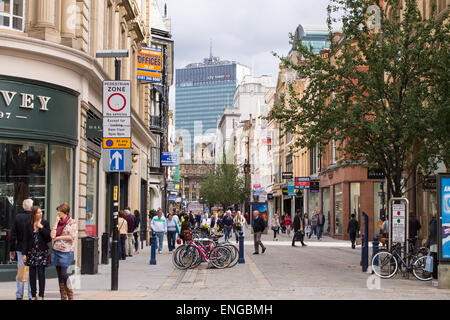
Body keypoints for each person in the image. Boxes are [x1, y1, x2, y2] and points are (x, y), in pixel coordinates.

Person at [22, 206, 51, 300]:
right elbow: (25, 240)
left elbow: (48, 238)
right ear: (34, 214)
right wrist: (24, 253)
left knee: (41, 273)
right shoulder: (28, 224)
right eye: (38, 212)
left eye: (41, 212)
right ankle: (33, 295)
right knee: (32, 274)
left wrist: (41, 228)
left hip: (42, 252)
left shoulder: (45, 223)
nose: (40, 214)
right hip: (31, 252)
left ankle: (41, 295)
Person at [50, 203, 77, 300]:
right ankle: (63, 296)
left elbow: (71, 237)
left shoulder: (72, 222)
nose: (58, 213)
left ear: (64, 212)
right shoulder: (58, 221)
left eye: (59, 211)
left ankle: (70, 294)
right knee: (59, 274)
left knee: (63, 273)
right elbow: (52, 236)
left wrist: (59, 238)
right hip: (56, 250)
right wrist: (55, 223)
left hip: (66, 251)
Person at [9, 199, 33, 300]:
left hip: (20, 248)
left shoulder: (18, 217)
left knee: (22, 271)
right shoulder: (34, 217)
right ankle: (31, 295)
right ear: (31, 207)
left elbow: (13, 235)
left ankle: (19, 294)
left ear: (23, 207)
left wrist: (12, 249)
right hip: (32, 248)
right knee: (31, 272)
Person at [426, 211, 439, 287]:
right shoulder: (436, 222)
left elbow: (431, 234)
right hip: (435, 243)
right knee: (435, 261)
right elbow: (434, 234)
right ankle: (435, 278)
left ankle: (434, 278)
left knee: (434, 260)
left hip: (433, 243)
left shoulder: (432, 221)